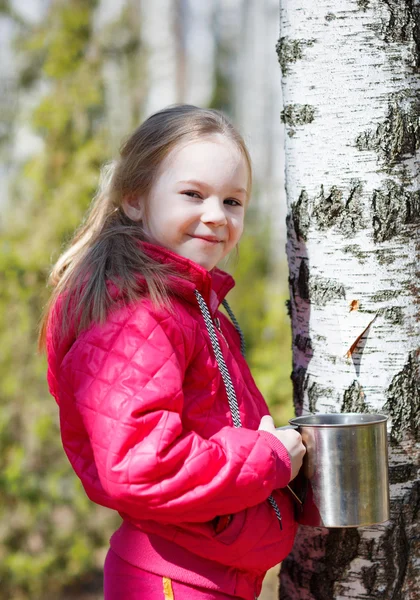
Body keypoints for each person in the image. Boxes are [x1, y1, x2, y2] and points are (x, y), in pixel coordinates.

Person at [39, 104, 305, 600]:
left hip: (205, 577)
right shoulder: (137, 316)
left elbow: (208, 431)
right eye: (193, 194)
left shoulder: (188, 306)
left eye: (233, 201)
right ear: (135, 199)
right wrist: (268, 458)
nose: (216, 216)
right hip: (173, 582)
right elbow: (143, 466)